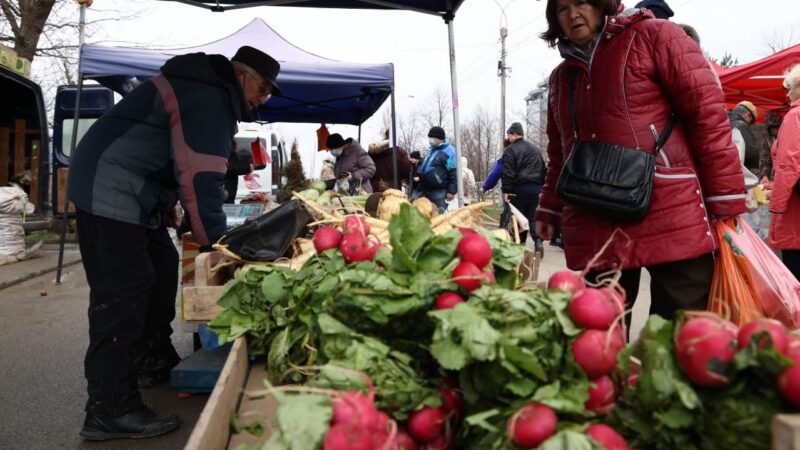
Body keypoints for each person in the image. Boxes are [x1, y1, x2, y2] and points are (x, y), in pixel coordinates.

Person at [67, 46, 281, 440]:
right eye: (263, 87)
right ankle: (109, 409)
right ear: (240, 76)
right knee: (123, 295)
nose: (264, 97)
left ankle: (151, 358)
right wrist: (219, 245)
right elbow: (200, 181)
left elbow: (170, 157)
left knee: (163, 270)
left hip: (134, 193)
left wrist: (166, 205)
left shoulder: (205, 91)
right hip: (108, 188)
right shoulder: (207, 97)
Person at [535, 0, 745, 322]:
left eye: (581, 3)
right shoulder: (561, 79)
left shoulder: (656, 36)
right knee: (600, 334)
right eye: (562, 8)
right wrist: (549, 207)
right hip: (595, 218)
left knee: (684, 330)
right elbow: (559, 150)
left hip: (669, 208)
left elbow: (707, 118)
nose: (574, 14)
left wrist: (725, 198)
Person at [768, 64, 800, 279]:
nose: (787, 93)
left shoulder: (795, 116)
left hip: (795, 215)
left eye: (790, 87)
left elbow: (789, 166)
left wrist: (776, 208)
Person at [501, 122, 546, 254]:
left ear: (514, 134)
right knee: (532, 217)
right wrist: (542, 187)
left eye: (509, 134)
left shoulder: (510, 150)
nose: (508, 137)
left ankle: (519, 246)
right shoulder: (535, 149)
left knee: (518, 218)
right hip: (535, 189)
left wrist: (506, 191)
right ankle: (538, 241)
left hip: (518, 190)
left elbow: (508, 172)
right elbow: (543, 169)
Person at [417, 126, 457, 212]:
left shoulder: (450, 151)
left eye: (432, 138)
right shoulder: (431, 150)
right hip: (426, 190)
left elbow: (454, 172)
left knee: (440, 216)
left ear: (439, 138)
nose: (430, 140)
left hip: (439, 192)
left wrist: (451, 191)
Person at [730, 100, 759, 171]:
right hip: (736, 171)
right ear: (747, 114)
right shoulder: (741, 126)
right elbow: (751, 154)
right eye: (751, 121)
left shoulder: (722, 122)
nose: (749, 123)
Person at [759, 111, 783, 180]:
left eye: (777, 127)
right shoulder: (766, 139)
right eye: (772, 128)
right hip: (774, 176)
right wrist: (764, 175)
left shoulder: (789, 135)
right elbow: (765, 159)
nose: (775, 130)